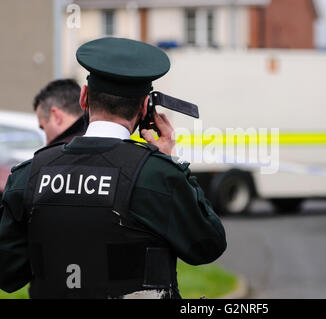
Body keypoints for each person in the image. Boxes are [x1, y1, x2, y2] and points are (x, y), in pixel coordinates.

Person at [0, 37, 227, 299]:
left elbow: (8, 274)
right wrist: (171, 161)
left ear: (84, 97)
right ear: (144, 108)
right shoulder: (157, 176)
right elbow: (208, 245)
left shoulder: (29, 175)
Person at [33, 79, 88, 145]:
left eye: (43, 128)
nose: (47, 142)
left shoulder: (55, 153)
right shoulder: (99, 137)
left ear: (57, 116)